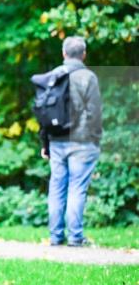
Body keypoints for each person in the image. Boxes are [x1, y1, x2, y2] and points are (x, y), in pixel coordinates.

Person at [40, 36, 102, 247]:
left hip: (56, 141)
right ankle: (76, 237)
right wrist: (96, 140)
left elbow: (44, 113)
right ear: (84, 54)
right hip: (82, 142)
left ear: (64, 53)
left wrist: (44, 144)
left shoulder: (53, 76)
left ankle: (56, 237)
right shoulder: (88, 77)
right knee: (77, 187)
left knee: (57, 187)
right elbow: (94, 112)